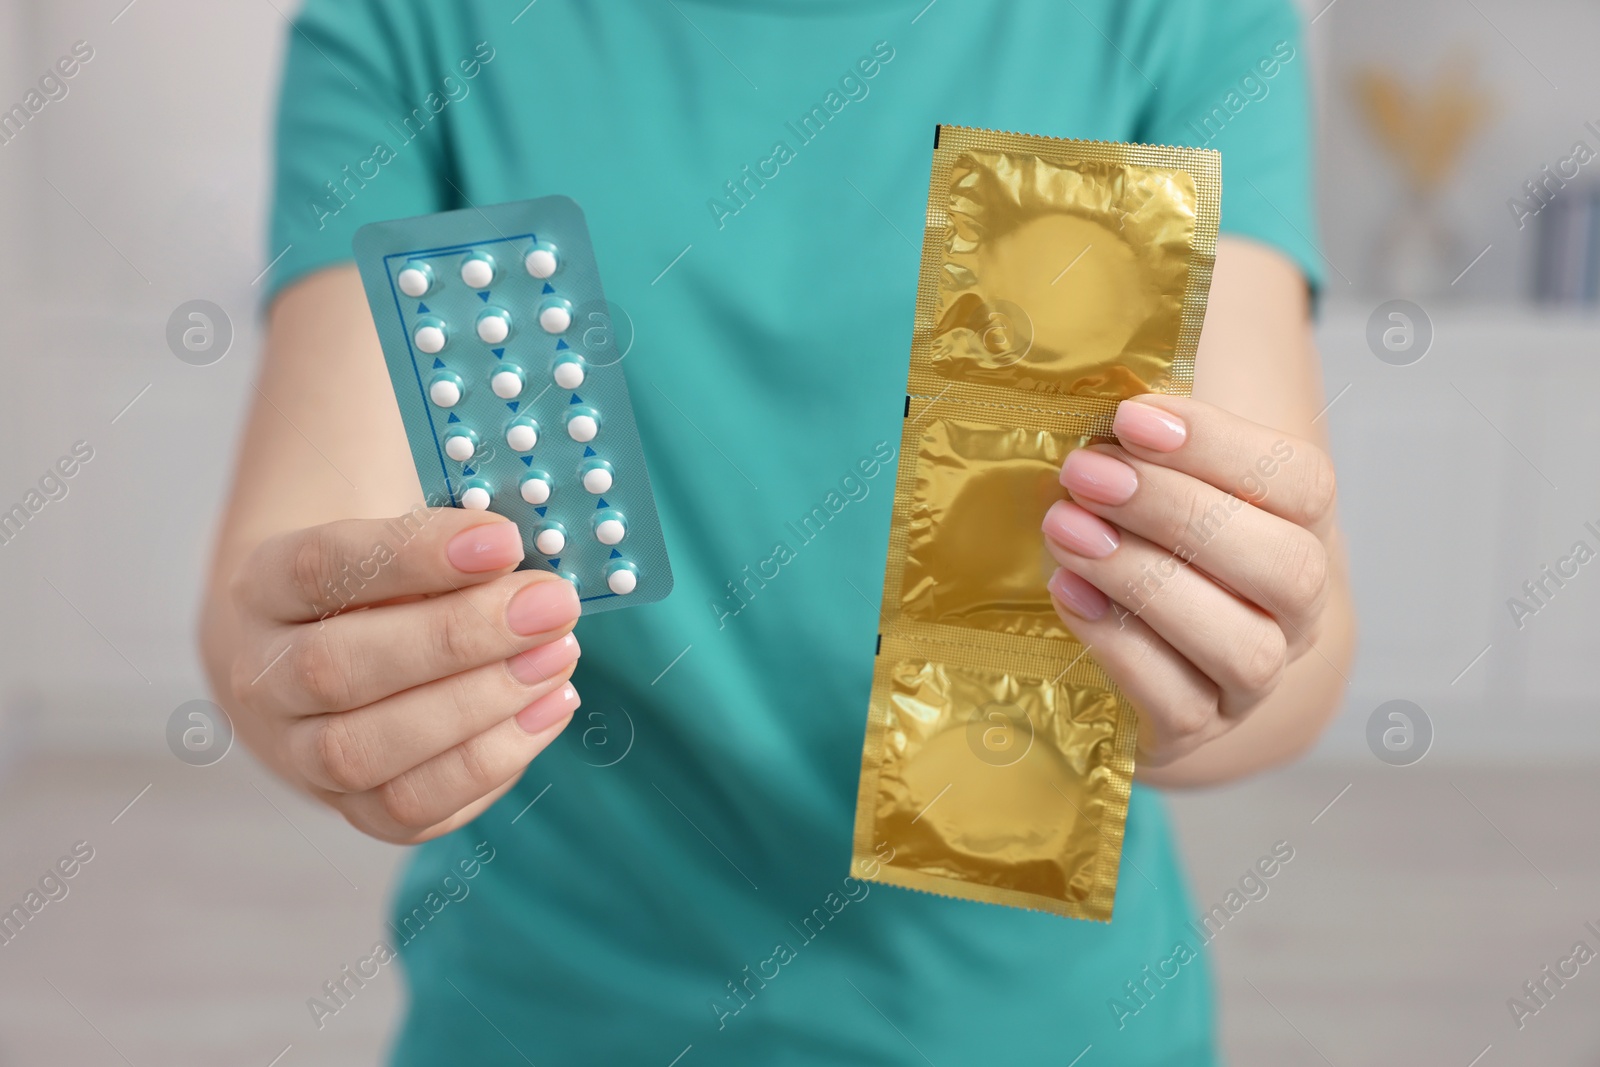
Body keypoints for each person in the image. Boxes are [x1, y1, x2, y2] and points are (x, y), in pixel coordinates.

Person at [200, 1, 1354, 1062]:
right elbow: (291, 558)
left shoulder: (1176, 17)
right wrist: (316, 673)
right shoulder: (413, 19)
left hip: (1040, 1023)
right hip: (553, 1016)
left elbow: (1300, 637)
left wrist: (1207, 661)